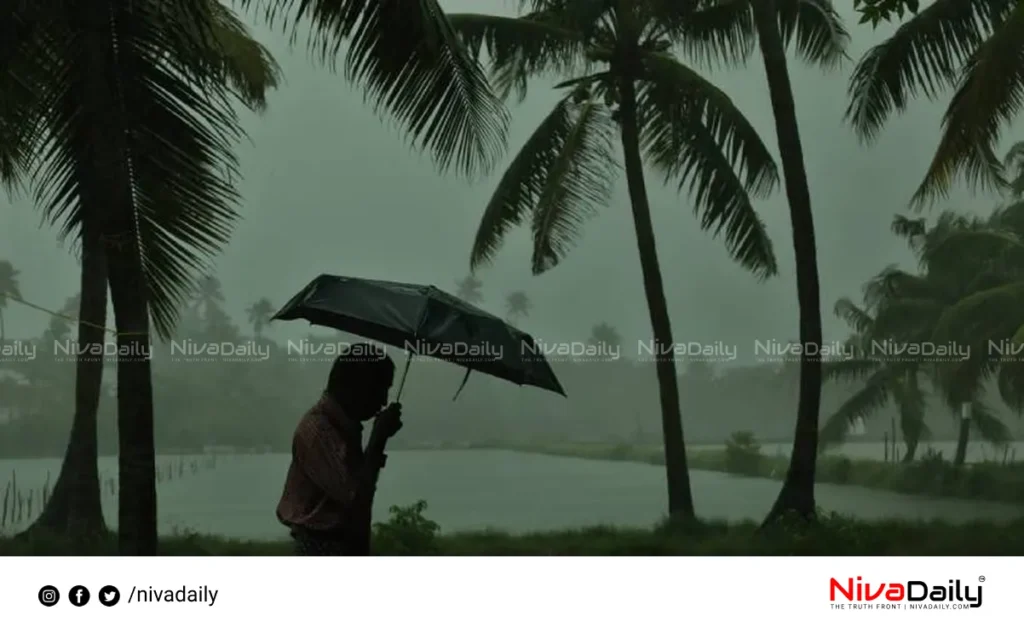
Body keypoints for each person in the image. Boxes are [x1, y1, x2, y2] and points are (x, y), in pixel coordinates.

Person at [276, 342, 403, 555]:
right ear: (356, 387)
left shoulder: (344, 429)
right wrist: (378, 440)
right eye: (380, 390)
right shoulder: (317, 431)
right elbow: (356, 498)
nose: (383, 401)